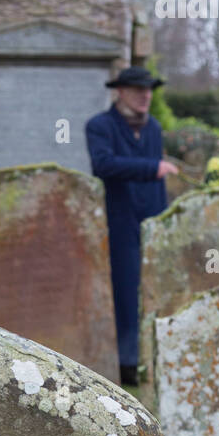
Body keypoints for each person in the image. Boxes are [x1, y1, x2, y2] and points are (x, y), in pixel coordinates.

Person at [85, 66, 178, 387]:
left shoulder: (152, 126)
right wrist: (153, 167)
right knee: (125, 293)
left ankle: (148, 358)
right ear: (120, 91)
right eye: (138, 89)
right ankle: (125, 363)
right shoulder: (100, 125)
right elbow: (103, 164)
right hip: (119, 221)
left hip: (151, 220)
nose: (145, 95)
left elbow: (157, 184)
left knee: (152, 291)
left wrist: (163, 220)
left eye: (149, 90)